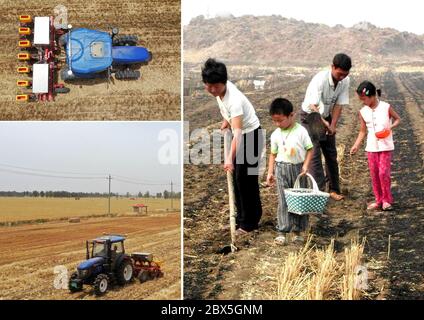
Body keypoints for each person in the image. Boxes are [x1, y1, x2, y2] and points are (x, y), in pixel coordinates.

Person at [201, 58, 263, 233]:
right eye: (208, 86)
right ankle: (240, 219)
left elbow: (238, 133)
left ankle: (249, 223)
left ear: (224, 82)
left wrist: (229, 158)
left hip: (250, 136)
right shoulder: (220, 93)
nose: (212, 90)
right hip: (242, 135)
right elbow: (227, 110)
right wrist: (226, 120)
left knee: (246, 181)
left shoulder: (234, 99)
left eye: (216, 86)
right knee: (238, 181)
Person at [301, 53, 352, 201]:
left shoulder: (345, 81)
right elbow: (313, 106)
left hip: (327, 115)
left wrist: (333, 125)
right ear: (332, 67)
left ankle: (334, 189)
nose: (342, 77)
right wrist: (324, 123)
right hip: (311, 116)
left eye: (345, 74)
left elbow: (338, 104)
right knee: (315, 154)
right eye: (339, 73)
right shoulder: (320, 79)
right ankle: (319, 192)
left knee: (331, 153)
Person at [266, 98, 313, 244]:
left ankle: (298, 231)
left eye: (280, 120)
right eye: (275, 121)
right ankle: (282, 231)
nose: (278, 124)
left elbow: (310, 149)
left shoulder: (301, 131)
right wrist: (270, 172)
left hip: (298, 170)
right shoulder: (275, 134)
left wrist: (305, 166)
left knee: (299, 199)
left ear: (291, 115)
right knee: (283, 200)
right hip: (281, 168)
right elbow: (273, 153)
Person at [350, 81, 400, 211]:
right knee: (374, 174)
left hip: (385, 146)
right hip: (371, 147)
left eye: (364, 99)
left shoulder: (386, 107)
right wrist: (356, 145)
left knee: (383, 173)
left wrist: (390, 127)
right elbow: (362, 131)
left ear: (372, 96)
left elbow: (398, 119)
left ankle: (387, 200)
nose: (362, 102)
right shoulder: (363, 112)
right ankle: (379, 200)